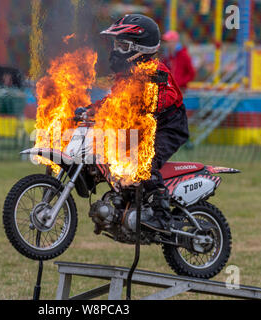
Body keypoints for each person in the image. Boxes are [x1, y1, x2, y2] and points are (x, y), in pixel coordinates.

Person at [79, 14, 189, 231]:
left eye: (121, 46)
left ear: (139, 48)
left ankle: (162, 216)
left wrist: (131, 107)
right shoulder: (126, 75)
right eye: (115, 45)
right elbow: (115, 98)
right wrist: (91, 110)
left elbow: (158, 100)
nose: (115, 50)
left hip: (167, 127)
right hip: (140, 127)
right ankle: (124, 205)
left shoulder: (156, 73)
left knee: (143, 162)